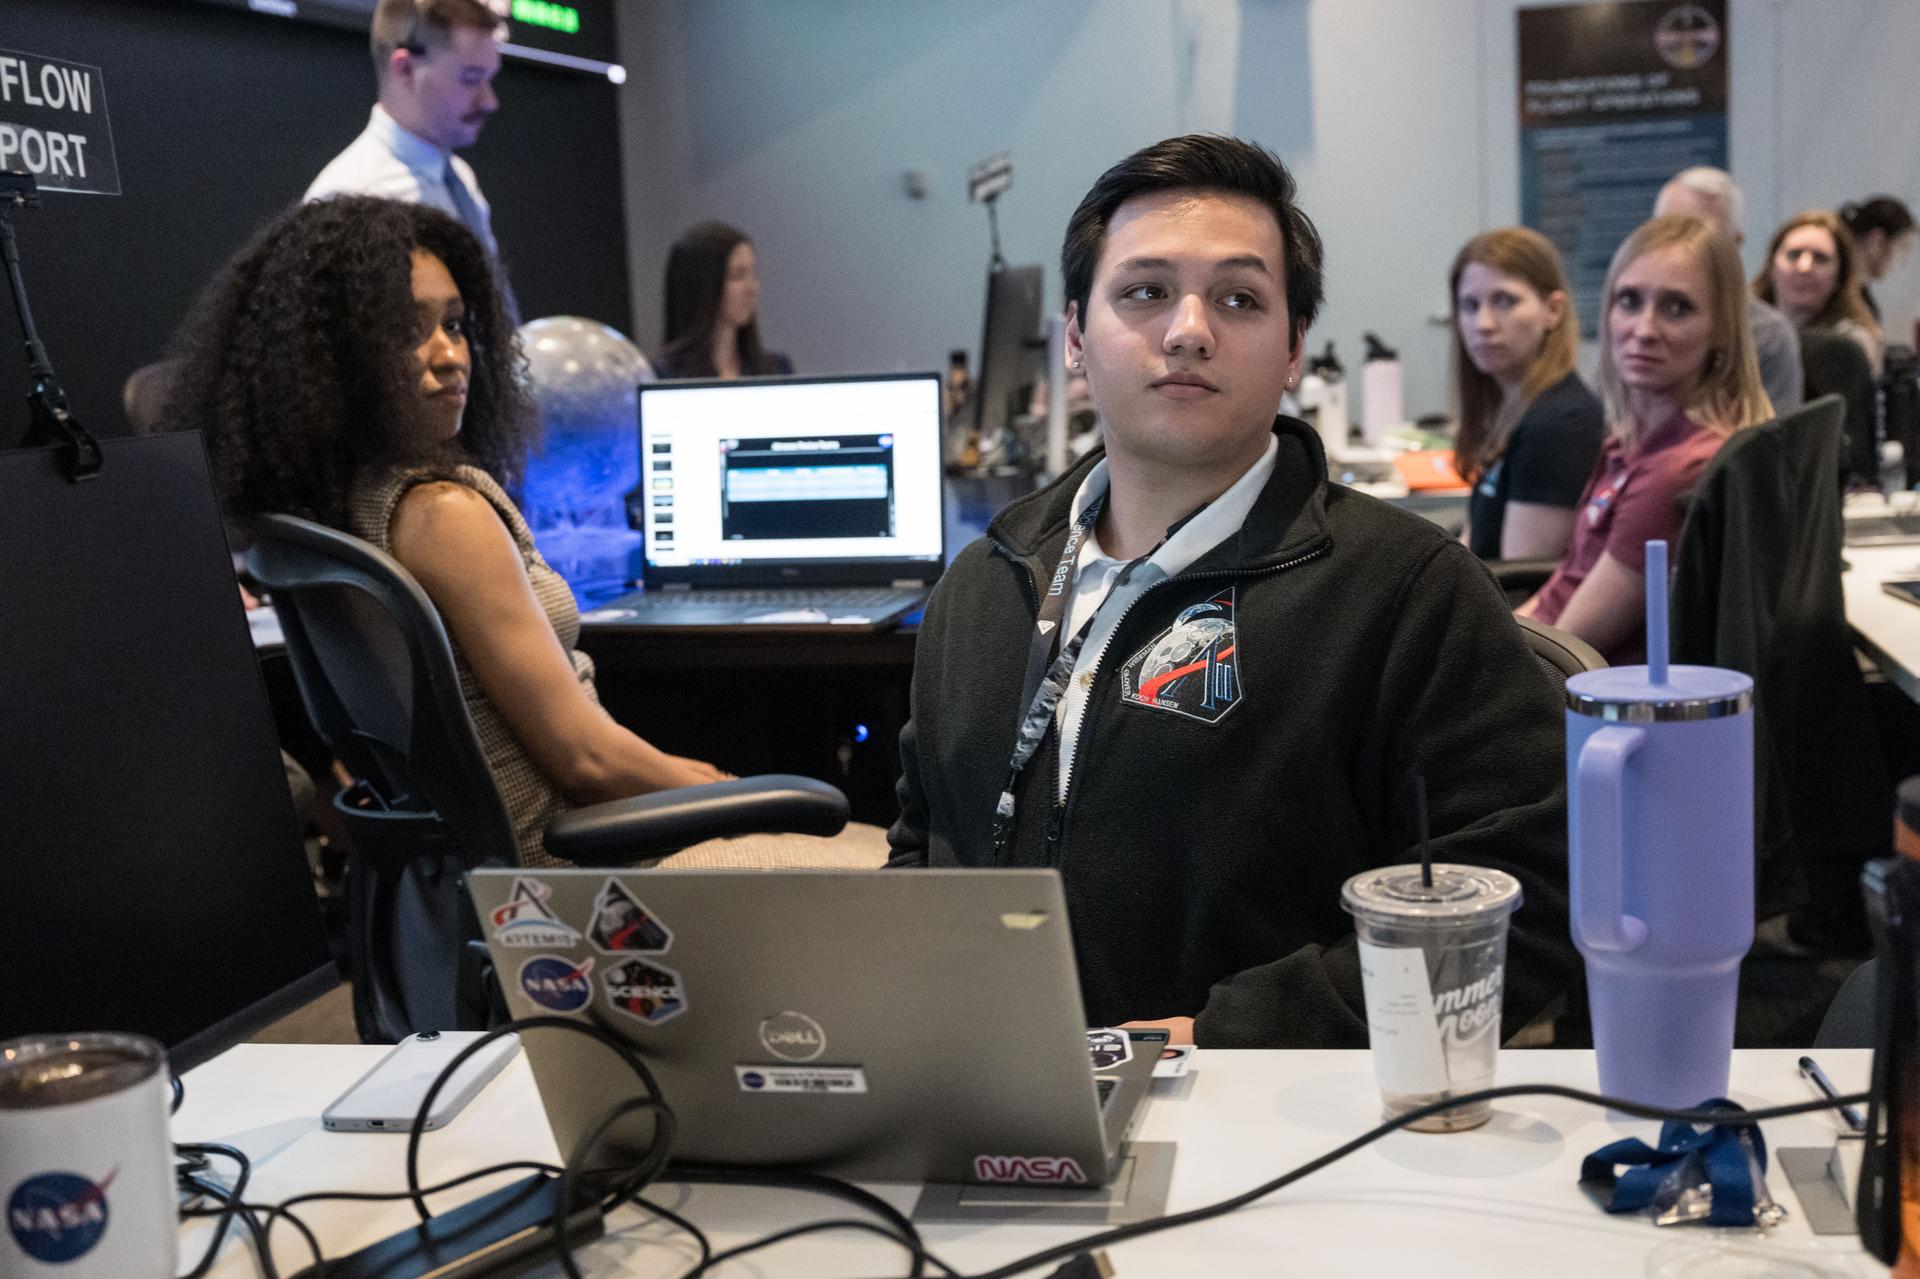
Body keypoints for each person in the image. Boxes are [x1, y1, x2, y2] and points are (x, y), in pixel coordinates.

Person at [888, 135, 1573, 1050]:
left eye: (1240, 299)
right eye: (1145, 292)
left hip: (1267, 1129)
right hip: (987, 1110)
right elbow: (923, 843)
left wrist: (1239, 1037)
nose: (1188, 329)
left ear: (1293, 351)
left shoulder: (1405, 593)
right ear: (1077, 343)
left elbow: (1529, 890)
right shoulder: (986, 587)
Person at [164, 197, 749, 869]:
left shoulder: (328, 510)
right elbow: (588, 762)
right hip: (594, 874)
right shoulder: (443, 513)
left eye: (455, 324)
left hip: (487, 882)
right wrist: (742, 796)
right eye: (407, 330)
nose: (450, 356)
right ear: (335, 354)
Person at [1521, 215, 1773, 663]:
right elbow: (1567, 583)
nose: (1643, 330)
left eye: (1677, 308)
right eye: (1629, 301)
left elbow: (1569, 644)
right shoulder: (1628, 441)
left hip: (1591, 709)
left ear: (1721, 330)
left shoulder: (1679, 469)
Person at [304, 0, 517, 318]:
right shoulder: (350, 197)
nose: (489, 101)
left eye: (489, 78)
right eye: (471, 78)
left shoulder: (459, 177)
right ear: (405, 69)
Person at [1448, 228, 1603, 561]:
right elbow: (1472, 546)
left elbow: (1518, 575)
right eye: (1470, 305)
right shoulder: (1513, 409)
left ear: (1553, 311)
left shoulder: (1561, 422)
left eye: (1505, 301)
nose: (1483, 323)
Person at [1654, 167, 1803, 412]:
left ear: (1735, 244)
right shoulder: (1632, 320)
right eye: (1671, 232)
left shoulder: (1768, 335)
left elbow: (1776, 442)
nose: (1683, 249)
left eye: (1703, 237)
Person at [652, 222, 793, 379]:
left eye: (752, 274)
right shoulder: (662, 376)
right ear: (702, 285)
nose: (752, 288)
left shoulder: (777, 369)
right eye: (737, 275)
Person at [1755, 210, 1881, 371]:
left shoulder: (1852, 343)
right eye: (1794, 255)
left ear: (1839, 276)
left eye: (1820, 258)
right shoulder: (1741, 327)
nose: (1804, 267)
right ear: (1771, 268)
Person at [1839, 195, 1916, 323]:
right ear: (1877, 241)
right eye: (1903, 248)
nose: (1904, 263)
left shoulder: (1861, 300)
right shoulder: (1830, 298)